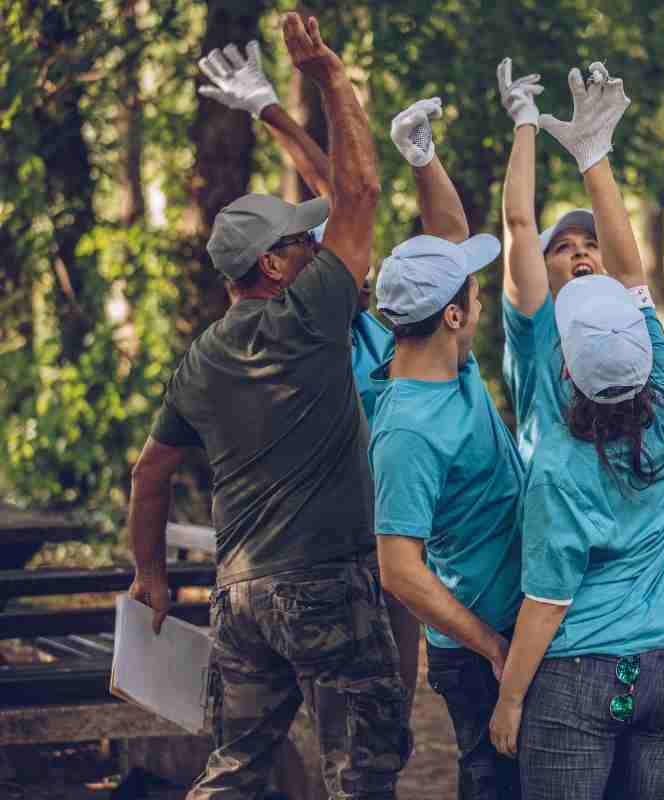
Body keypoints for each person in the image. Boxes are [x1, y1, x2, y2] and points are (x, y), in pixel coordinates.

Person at [127, 15, 412, 799]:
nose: (316, 248)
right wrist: (332, 80)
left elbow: (149, 475)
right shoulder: (310, 316)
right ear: (272, 266)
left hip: (242, 594)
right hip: (326, 588)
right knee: (363, 774)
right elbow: (358, 192)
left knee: (235, 773)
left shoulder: (199, 360)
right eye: (298, 243)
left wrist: (151, 573)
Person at [194, 42, 471, 704]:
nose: (344, 260)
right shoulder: (303, 336)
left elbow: (336, 192)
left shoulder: (375, 329)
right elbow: (344, 196)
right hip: (329, 554)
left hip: (394, 534)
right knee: (339, 713)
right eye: (312, 252)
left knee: (388, 707)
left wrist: (270, 109)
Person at [487, 64, 664, 800]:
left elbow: (548, 598)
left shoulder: (559, 466)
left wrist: (510, 697)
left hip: (575, 655)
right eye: (564, 246)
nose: (581, 251)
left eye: (589, 244)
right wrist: (590, 153)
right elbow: (525, 231)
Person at [369, 229, 524, 800]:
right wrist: (492, 645)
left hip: (518, 621)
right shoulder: (407, 433)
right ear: (453, 315)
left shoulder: (453, 365)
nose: (481, 308)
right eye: (476, 298)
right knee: (494, 786)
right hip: (480, 646)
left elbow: (447, 222)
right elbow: (399, 570)